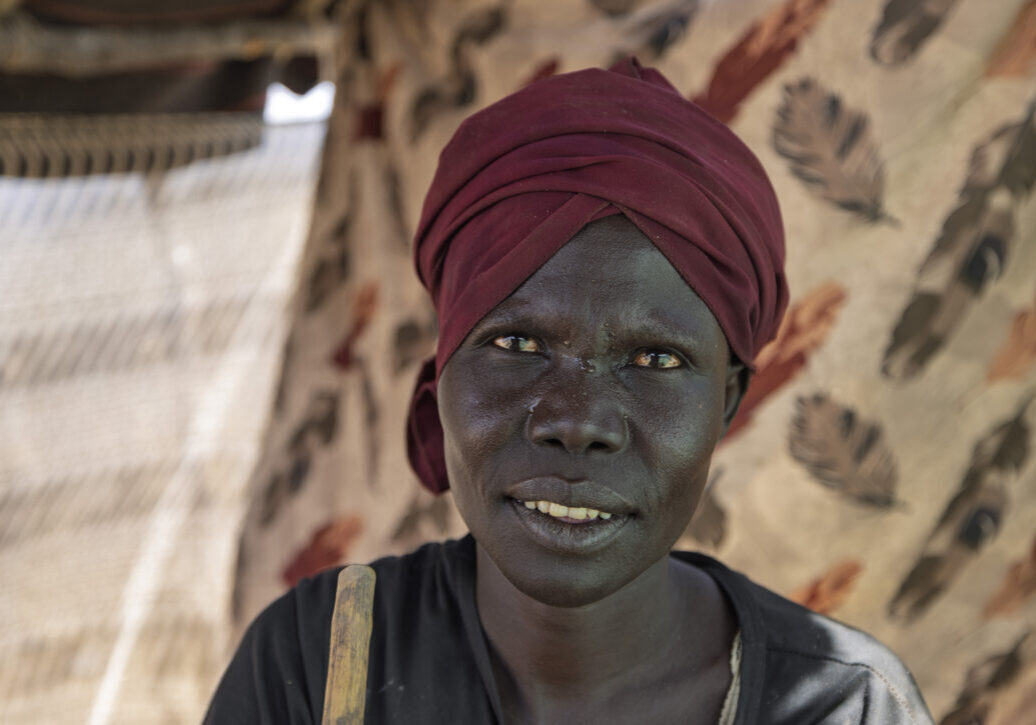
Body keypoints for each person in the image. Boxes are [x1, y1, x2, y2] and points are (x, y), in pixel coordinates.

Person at [205, 58, 934, 724]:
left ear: (729, 401)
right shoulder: (321, 662)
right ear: (439, 375)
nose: (578, 421)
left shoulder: (847, 708)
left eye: (654, 358)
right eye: (517, 344)